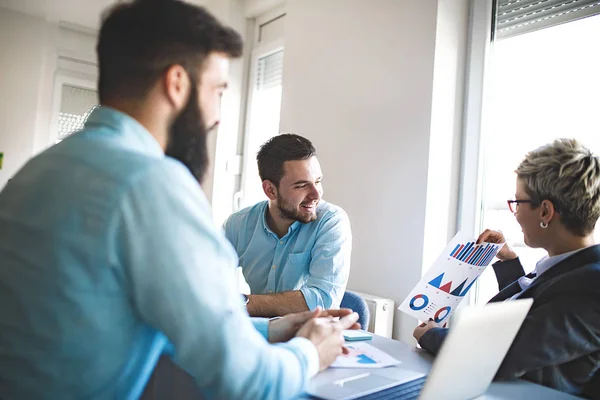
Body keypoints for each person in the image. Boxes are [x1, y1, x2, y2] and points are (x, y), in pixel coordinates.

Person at [0, 1, 360, 399]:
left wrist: (277, 328)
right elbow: (246, 383)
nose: (218, 116)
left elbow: (157, 322)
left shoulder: (34, 173)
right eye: (218, 91)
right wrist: (311, 351)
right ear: (177, 83)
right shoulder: (152, 183)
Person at [413, 139, 600, 398]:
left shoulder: (592, 286)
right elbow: (536, 314)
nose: (515, 213)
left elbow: (500, 352)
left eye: (518, 202)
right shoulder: (570, 267)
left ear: (545, 211)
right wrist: (508, 261)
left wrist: (432, 335)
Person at [224, 134, 352, 317]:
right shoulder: (237, 225)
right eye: (301, 186)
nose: (316, 194)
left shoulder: (331, 221)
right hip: (258, 332)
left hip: (308, 336)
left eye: (318, 181)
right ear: (270, 190)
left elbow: (322, 301)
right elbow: (207, 281)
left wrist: (242, 303)